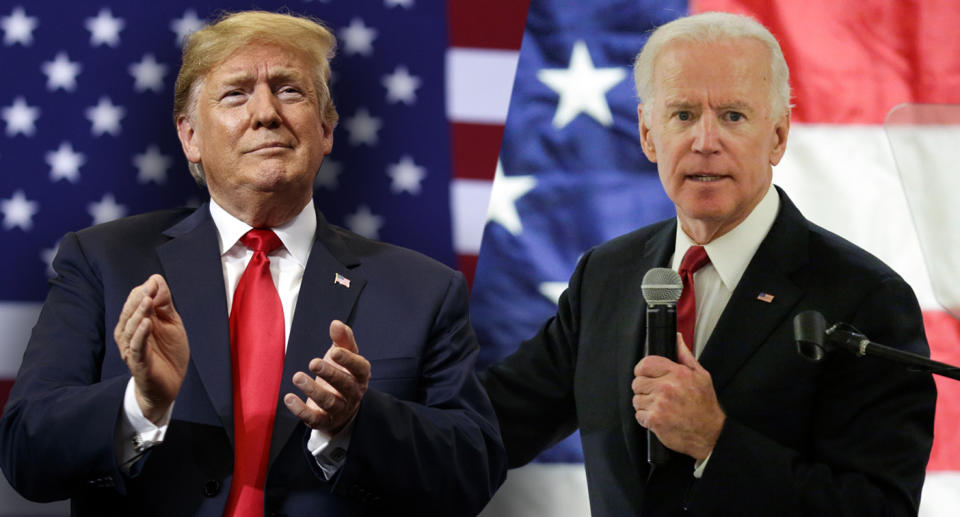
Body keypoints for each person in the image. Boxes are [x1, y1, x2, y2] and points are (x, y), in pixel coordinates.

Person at [0, 11, 505, 516]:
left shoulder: (424, 290)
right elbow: (26, 452)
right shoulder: (104, 262)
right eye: (236, 93)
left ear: (326, 130)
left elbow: (474, 472)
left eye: (290, 91)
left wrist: (356, 422)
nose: (266, 113)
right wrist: (141, 404)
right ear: (190, 137)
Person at [481, 11, 936, 517]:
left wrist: (715, 442)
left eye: (733, 116)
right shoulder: (606, 274)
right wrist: (378, 414)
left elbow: (879, 507)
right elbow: (487, 426)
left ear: (779, 137)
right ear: (648, 134)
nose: (704, 141)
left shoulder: (865, 296)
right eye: (682, 114)